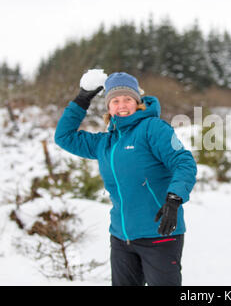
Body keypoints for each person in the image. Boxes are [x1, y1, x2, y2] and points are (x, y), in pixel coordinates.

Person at [54, 72, 197, 286]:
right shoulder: (105, 143)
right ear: (109, 107)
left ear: (137, 102)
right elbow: (64, 137)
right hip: (122, 238)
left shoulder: (153, 128)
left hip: (159, 234)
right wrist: (82, 99)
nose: (122, 105)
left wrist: (174, 198)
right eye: (115, 100)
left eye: (128, 99)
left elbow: (183, 161)